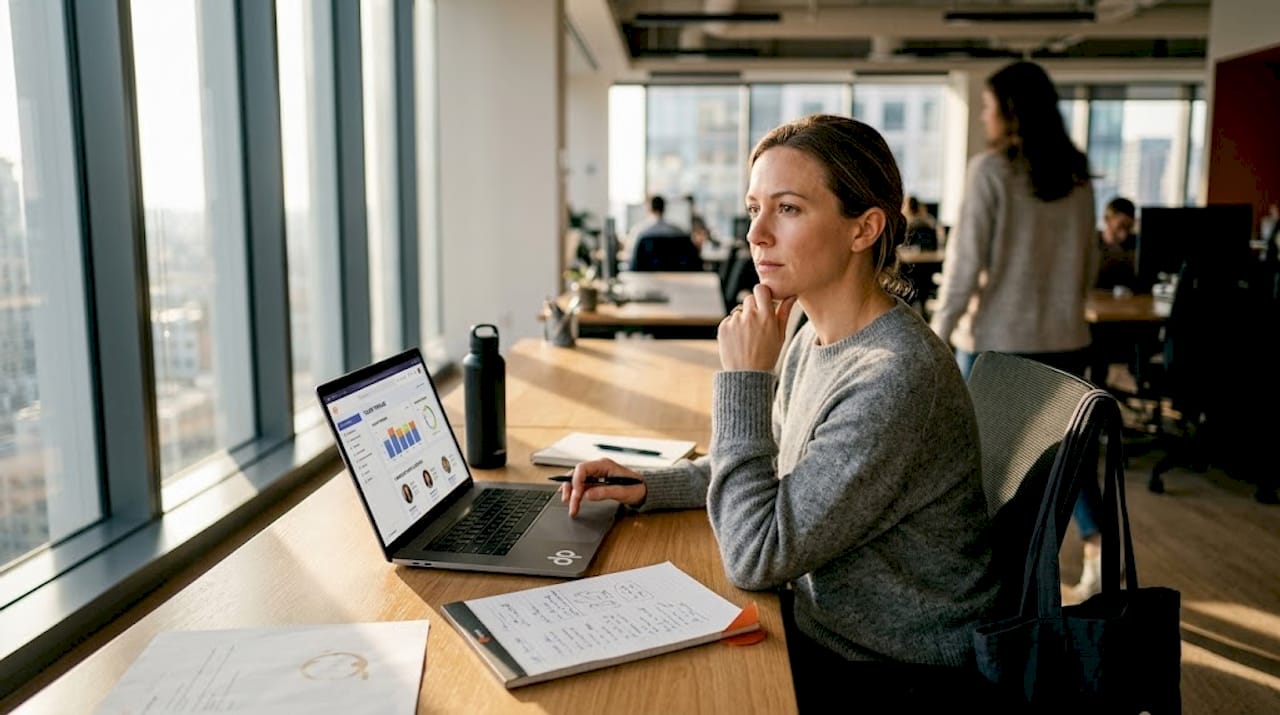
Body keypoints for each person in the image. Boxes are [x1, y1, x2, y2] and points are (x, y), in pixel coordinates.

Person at [561, 114, 999, 707]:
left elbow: (755, 556)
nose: (756, 234)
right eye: (753, 209)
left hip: (890, 671)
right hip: (828, 628)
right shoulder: (811, 332)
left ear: (864, 228)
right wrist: (650, 486)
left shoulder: (894, 376)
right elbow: (769, 466)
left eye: (787, 208)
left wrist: (744, 378)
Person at [928, 60, 1105, 602]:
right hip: (1066, 338)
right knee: (1068, 459)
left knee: (987, 470)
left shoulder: (991, 172)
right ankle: (1093, 554)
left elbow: (963, 265)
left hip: (1000, 346)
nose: (984, 117)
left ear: (1011, 112)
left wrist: (938, 333)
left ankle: (991, 581)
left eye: (988, 107)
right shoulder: (1076, 178)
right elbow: (1089, 264)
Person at [1095, 196, 1138, 291]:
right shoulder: (1091, 243)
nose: (1124, 235)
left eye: (1129, 228)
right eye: (1120, 227)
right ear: (1106, 219)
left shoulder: (1137, 245)